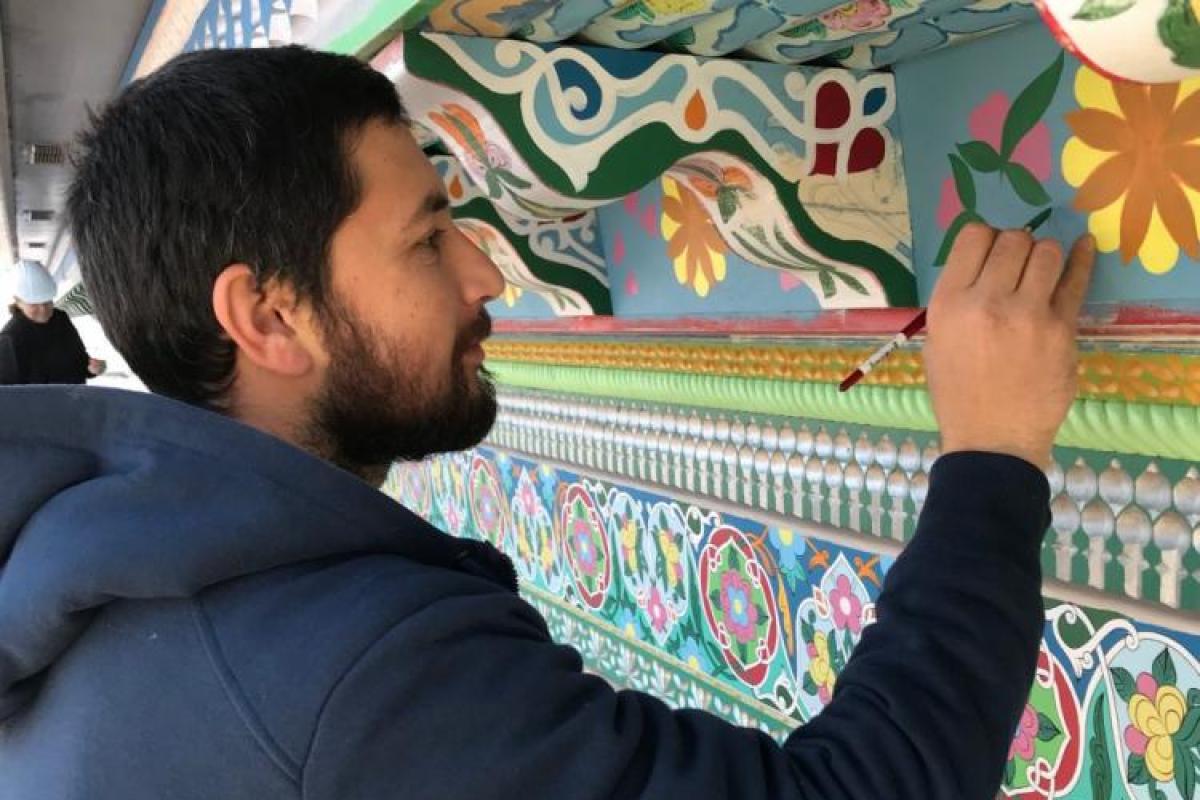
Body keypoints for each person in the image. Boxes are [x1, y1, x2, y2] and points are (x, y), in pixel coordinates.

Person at [0, 46, 1094, 799]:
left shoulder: (104, 595)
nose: (486, 274)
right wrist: (993, 455)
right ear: (272, 315)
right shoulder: (349, 668)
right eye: (427, 239)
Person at [0, 259, 106, 384]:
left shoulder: (60, 319)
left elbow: (80, 361)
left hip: (74, 399)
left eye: (47, 301)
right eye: (34, 304)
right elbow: (7, 394)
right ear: (18, 302)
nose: (43, 309)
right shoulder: (10, 339)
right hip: (42, 403)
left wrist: (93, 369)